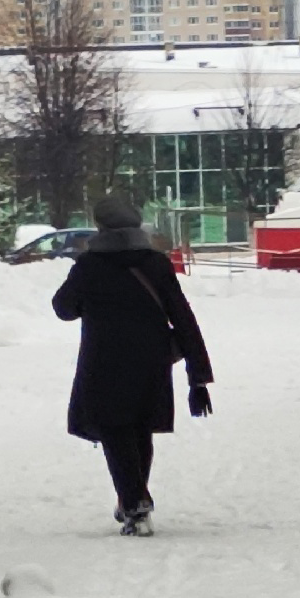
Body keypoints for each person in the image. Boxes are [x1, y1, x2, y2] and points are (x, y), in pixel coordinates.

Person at [53, 197, 215, 536]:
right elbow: (182, 316)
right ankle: (133, 497)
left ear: (101, 227)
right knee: (139, 430)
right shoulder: (156, 263)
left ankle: (135, 504)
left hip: (104, 361)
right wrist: (198, 378)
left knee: (115, 431)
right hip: (152, 361)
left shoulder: (89, 265)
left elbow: (64, 308)